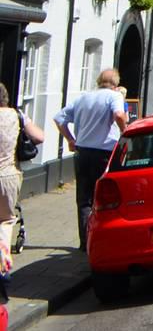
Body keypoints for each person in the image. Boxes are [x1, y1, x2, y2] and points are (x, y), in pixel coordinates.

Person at [54, 68, 129, 249]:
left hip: (82, 152)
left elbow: (59, 118)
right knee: (106, 197)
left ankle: (85, 241)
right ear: (116, 84)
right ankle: (104, 239)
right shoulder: (114, 96)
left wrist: (70, 139)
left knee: (84, 199)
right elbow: (119, 115)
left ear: (99, 82)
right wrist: (125, 132)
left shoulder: (83, 98)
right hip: (105, 153)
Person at [0, 81, 45, 296]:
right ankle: (2, 268)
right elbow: (39, 137)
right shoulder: (17, 115)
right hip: (9, 177)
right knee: (5, 221)